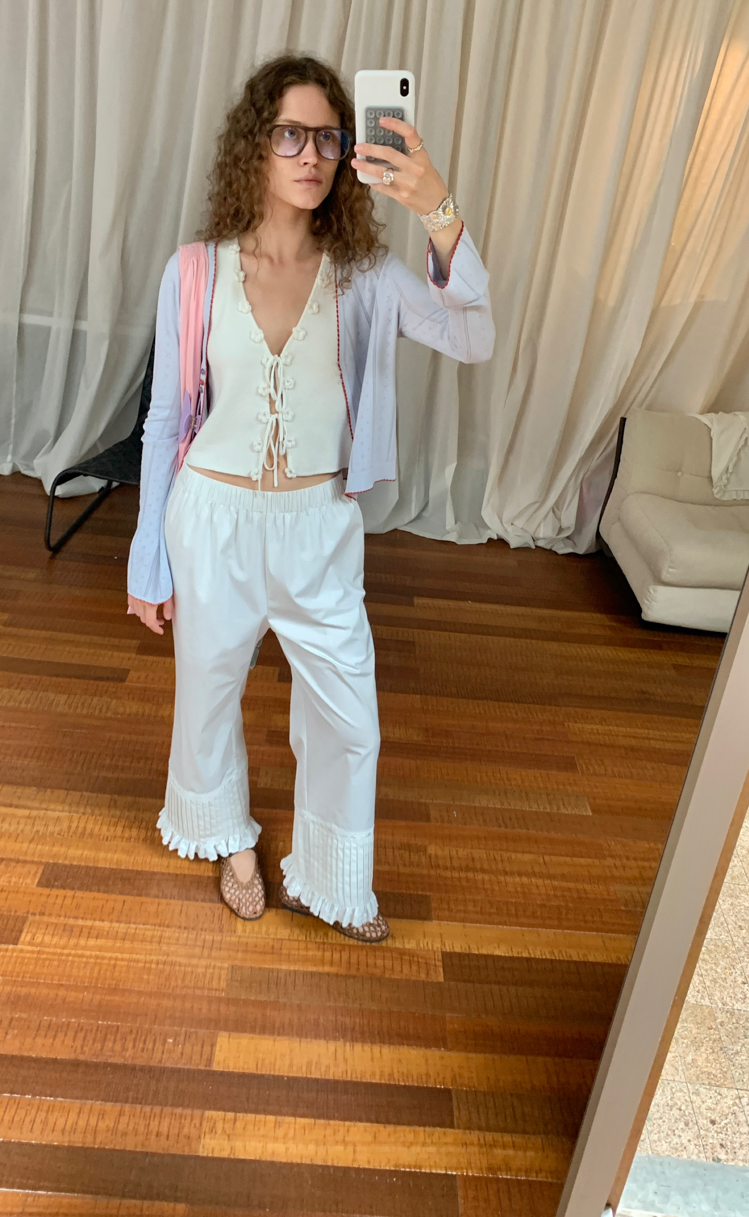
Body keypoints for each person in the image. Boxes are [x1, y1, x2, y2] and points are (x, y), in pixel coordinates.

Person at [126, 52, 494, 944]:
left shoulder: (364, 274)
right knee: (207, 695)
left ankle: (333, 878)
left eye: (329, 138)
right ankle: (231, 841)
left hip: (317, 525)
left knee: (349, 719)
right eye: (290, 134)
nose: (311, 155)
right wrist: (148, 558)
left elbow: (473, 336)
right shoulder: (195, 271)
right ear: (256, 145)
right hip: (210, 519)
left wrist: (437, 208)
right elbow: (166, 419)